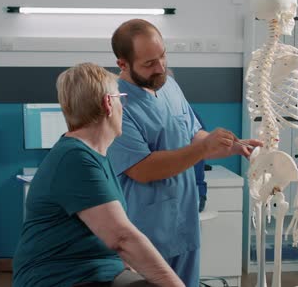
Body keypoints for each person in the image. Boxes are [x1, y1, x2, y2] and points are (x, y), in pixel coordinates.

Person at [108, 19, 261, 286]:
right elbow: (143, 169)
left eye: (163, 56)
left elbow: (192, 135)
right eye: (149, 64)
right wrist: (202, 147)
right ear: (123, 64)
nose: (160, 68)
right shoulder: (116, 104)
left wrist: (227, 146)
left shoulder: (168, 86)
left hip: (184, 220)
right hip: (146, 228)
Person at [13, 63, 184, 287]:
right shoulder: (75, 159)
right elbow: (122, 238)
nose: (124, 106)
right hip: (61, 278)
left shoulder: (95, 155)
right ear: (108, 103)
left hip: (96, 272)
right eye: (120, 98)